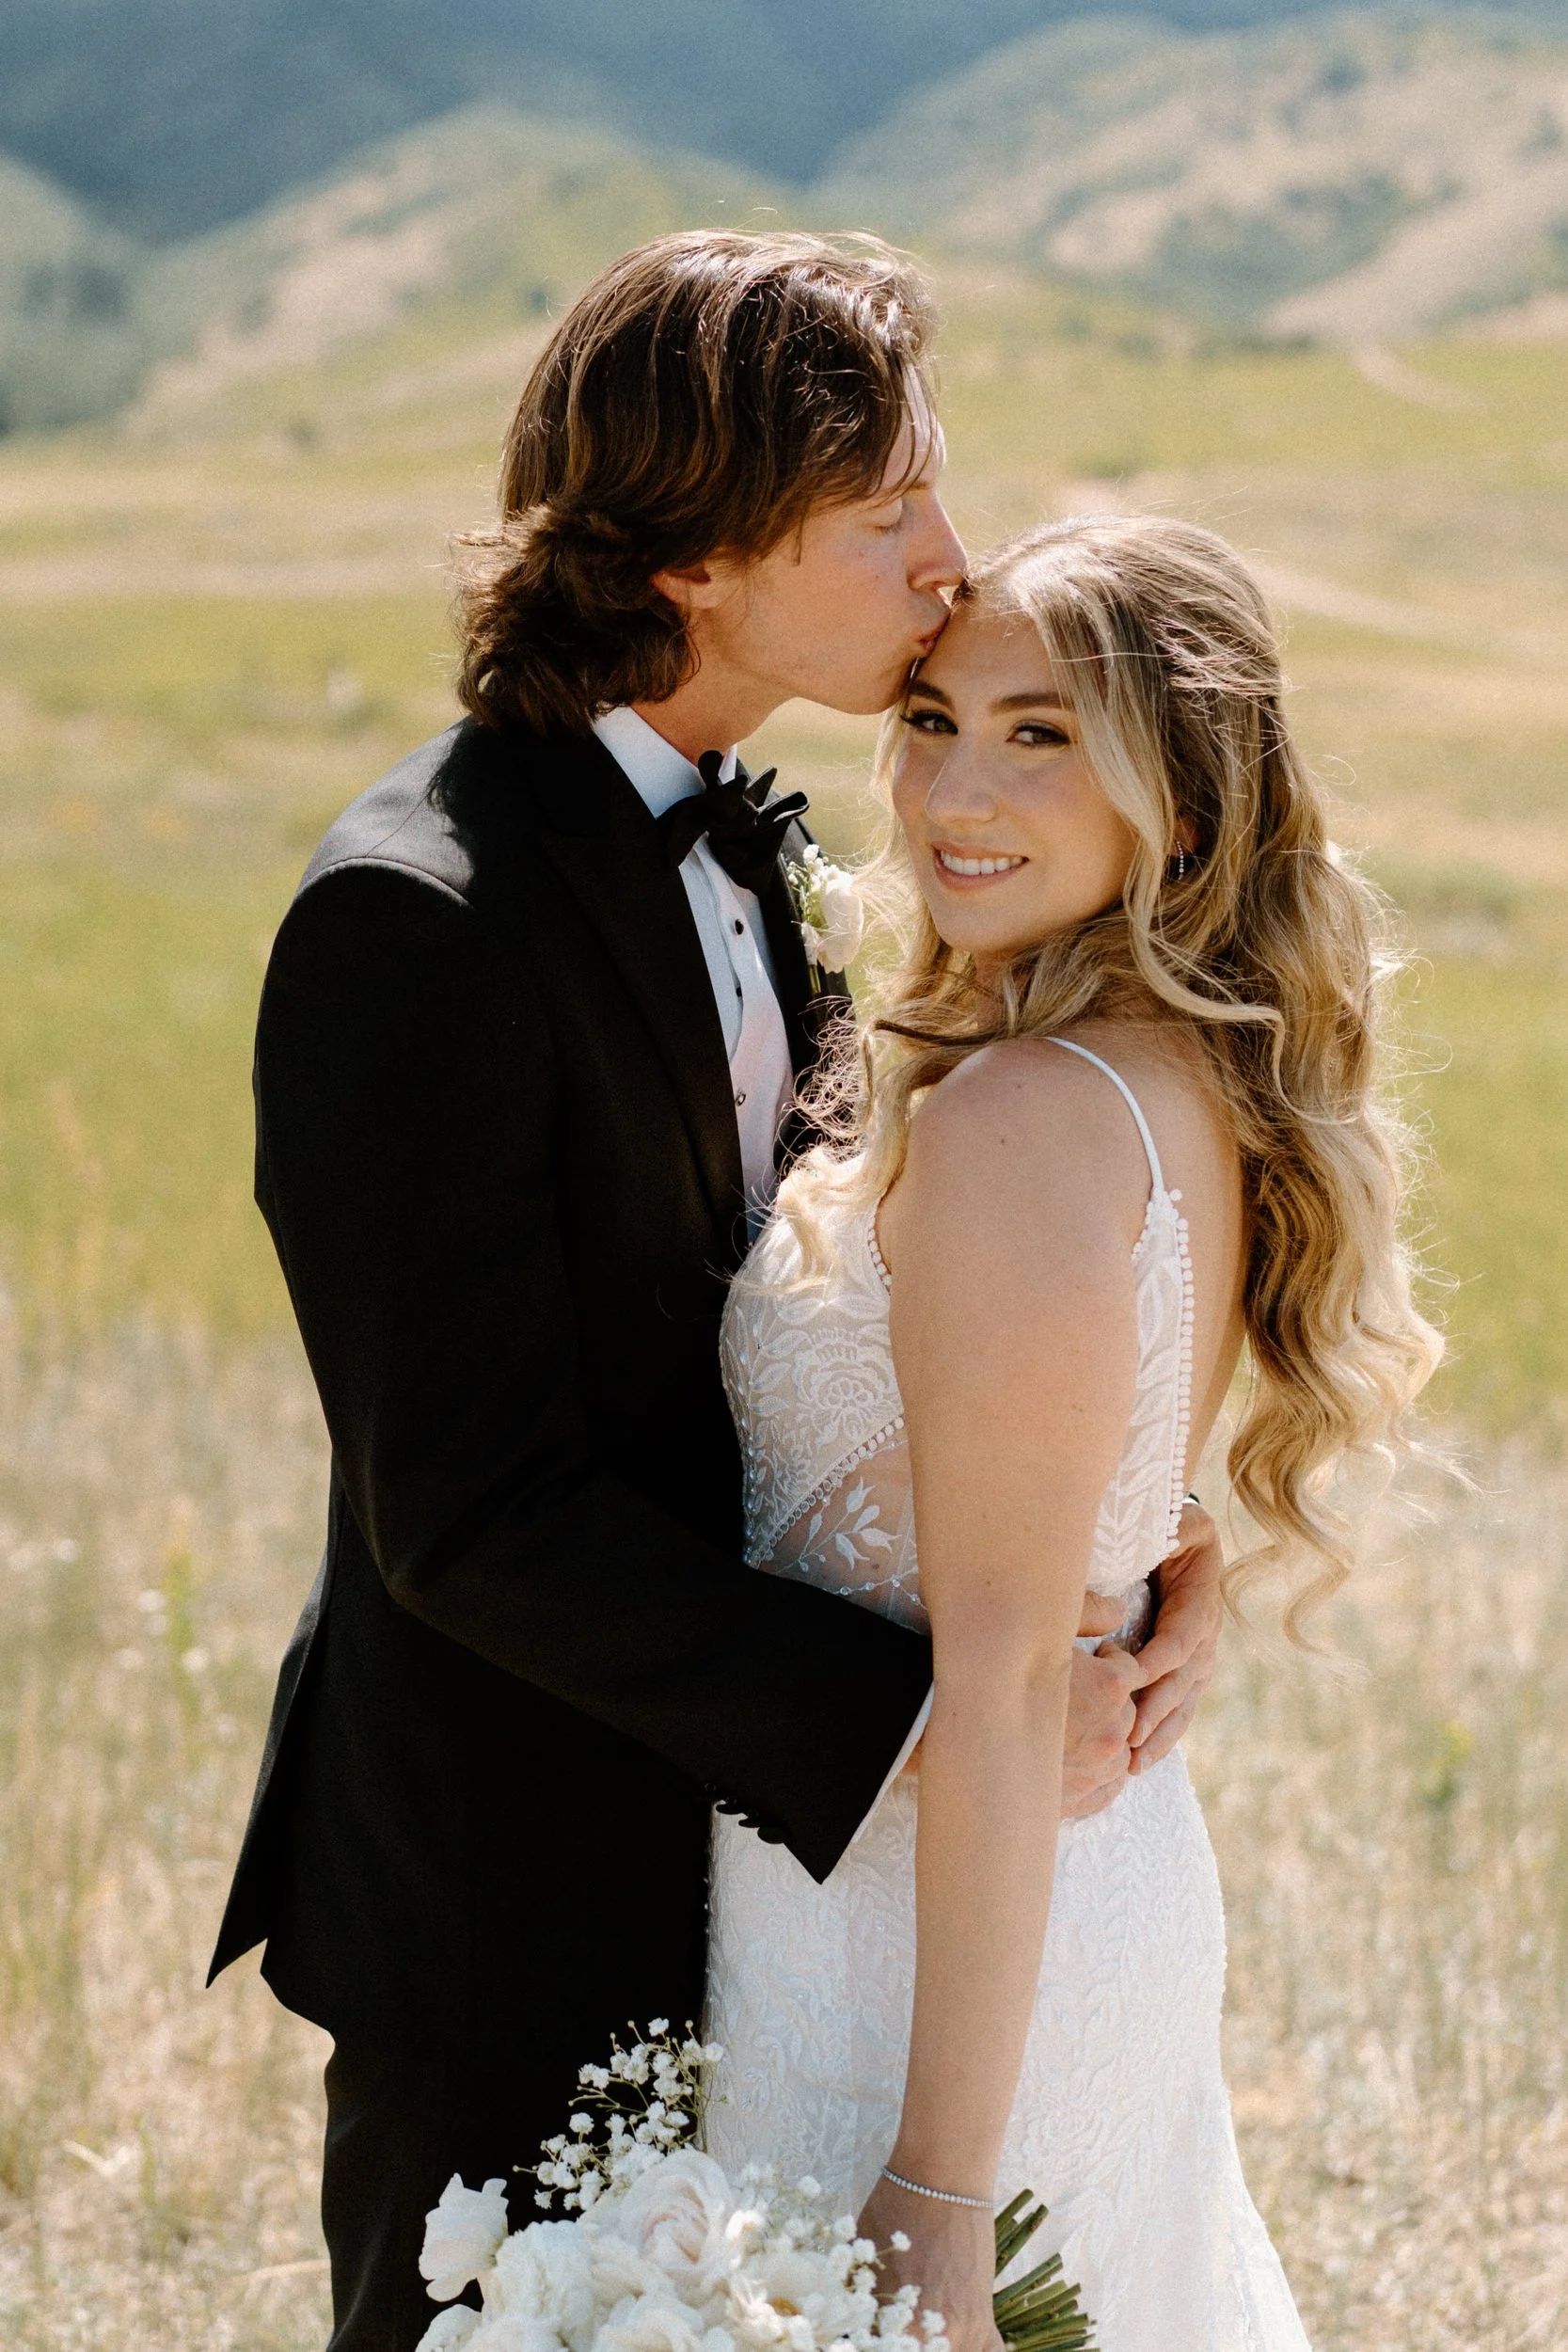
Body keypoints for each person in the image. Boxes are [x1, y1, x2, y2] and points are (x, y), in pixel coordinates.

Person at [205, 235, 1226, 2350]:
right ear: (691, 554)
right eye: (883, 516)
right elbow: (469, 1511)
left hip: (767, 1901)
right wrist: (942, 1725)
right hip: (511, 1894)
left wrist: (1119, 1569)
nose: (945, 562)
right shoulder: (413, 922)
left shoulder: (745, 843)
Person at [706, 515, 1443, 2352]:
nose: (955, 786)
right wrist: (1158, 1542)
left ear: (1177, 800)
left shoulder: (1023, 1113)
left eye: (1039, 733)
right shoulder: (1166, 1070)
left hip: (919, 1971)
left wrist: (937, 2185)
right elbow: (1072, 1461)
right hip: (1047, 1882)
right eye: (937, 717)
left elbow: (1006, 1664)